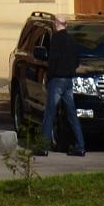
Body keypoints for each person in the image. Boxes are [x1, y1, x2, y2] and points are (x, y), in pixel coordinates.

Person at [34, 14, 86, 155]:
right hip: (69, 81)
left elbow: (52, 61)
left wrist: (49, 78)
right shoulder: (71, 39)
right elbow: (76, 61)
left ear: (56, 24)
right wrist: (70, 71)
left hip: (57, 80)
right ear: (66, 25)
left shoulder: (56, 39)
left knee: (50, 113)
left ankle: (43, 147)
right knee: (72, 114)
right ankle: (80, 146)